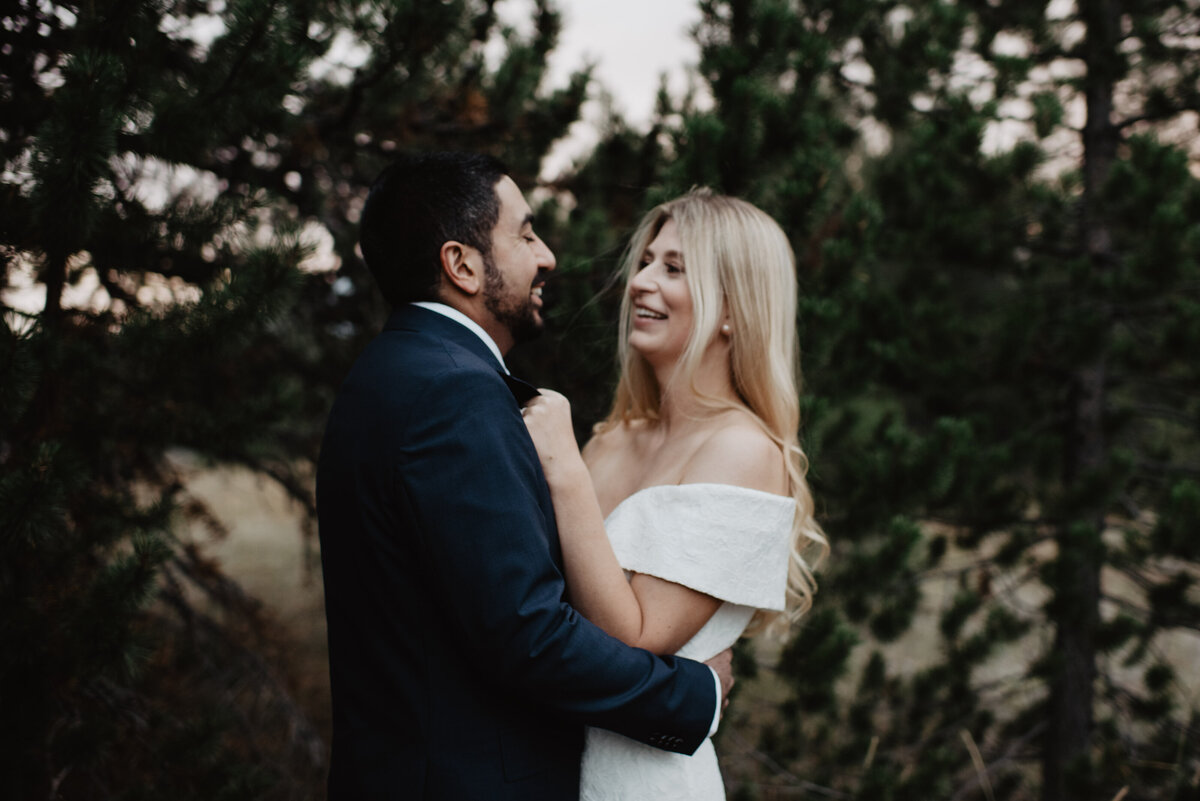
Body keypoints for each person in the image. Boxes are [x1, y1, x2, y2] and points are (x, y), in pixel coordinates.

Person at [316, 152, 733, 801]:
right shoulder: (456, 392)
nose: (548, 257)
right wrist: (692, 694)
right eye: (526, 233)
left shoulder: (388, 372)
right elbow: (526, 633)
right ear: (463, 265)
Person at [521, 189, 827, 800]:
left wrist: (563, 470)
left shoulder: (742, 451)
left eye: (674, 268)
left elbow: (632, 640)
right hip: (544, 768)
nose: (640, 282)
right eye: (647, 261)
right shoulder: (612, 440)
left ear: (734, 310)